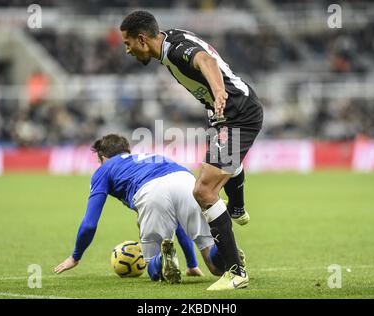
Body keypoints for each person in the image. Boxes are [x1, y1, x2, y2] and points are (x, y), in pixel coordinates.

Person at [120, 10, 263, 290]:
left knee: (203, 192)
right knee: (210, 177)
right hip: (224, 115)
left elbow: (205, 60)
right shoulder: (169, 40)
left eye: (128, 43)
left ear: (142, 39)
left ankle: (236, 273)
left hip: (236, 113)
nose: (127, 50)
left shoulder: (173, 50)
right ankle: (237, 206)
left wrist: (219, 91)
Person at [53, 134, 242, 287]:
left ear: (103, 158)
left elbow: (89, 224)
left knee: (153, 267)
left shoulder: (104, 169)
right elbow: (179, 222)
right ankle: (228, 251)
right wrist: (192, 264)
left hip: (149, 191)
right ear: (127, 150)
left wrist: (75, 257)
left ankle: (161, 258)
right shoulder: (152, 157)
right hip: (185, 180)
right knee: (216, 267)